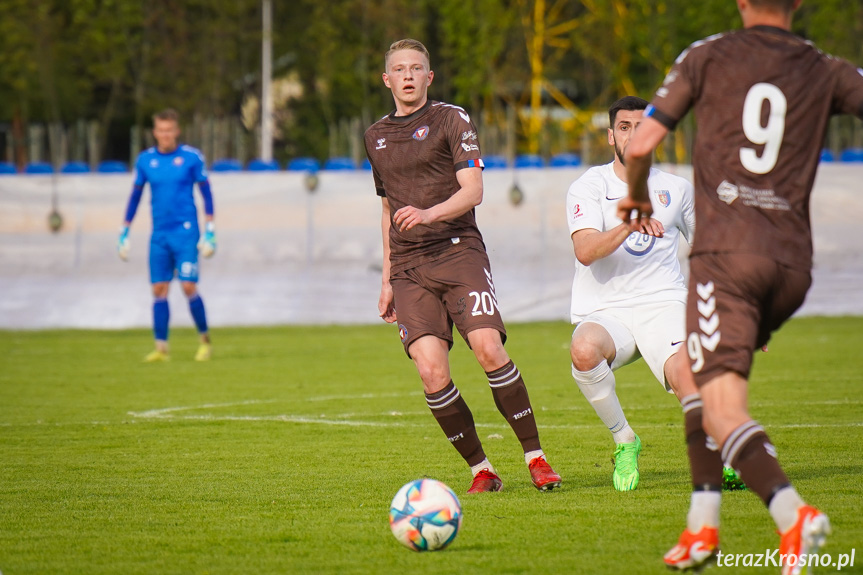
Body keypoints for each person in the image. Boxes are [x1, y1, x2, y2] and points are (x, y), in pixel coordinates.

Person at [620, 0, 863, 571]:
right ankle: (702, 526)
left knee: (720, 406)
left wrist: (634, 194)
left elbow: (640, 143)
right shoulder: (827, 68)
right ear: (798, 4)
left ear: (741, 3)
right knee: (701, 382)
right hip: (792, 266)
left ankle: (792, 513)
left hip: (727, 255)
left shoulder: (707, 56)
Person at [364, 38, 561, 494]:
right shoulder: (374, 135)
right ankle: (482, 471)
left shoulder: (451, 118)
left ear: (429, 78)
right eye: (400, 69)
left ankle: (537, 458)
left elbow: (473, 190)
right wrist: (386, 276)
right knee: (431, 371)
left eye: (417, 68)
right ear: (387, 79)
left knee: (488, 347)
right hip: (408, 265)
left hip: (457, 250)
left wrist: (429, 213)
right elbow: (387, 207)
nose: (408, 75)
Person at [566, 96, 702, 492]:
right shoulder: (588, 187)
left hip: (664, 303)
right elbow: (585, 251)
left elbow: (712, 252)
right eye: (624, 127)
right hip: (608, 310)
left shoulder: (677, 190)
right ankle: (625, 440)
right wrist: (629, 224)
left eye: (642, 126)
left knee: (686, 376)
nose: (633, 134)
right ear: (611, 136)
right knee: (583, 350)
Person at [118, 108, 217, 362]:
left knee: (188, 285)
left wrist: (210, 230)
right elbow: (136, 196)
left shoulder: (191, 158)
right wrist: (125, 230)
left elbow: (206, 193)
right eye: (160, 130)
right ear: (155, 132)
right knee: (159, 289)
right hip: (159, 234)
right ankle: (161, 348)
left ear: (177, 131)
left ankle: (205, 341)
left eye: (169, 130)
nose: (165, 135)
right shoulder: (145, 161)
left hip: (185, 232)